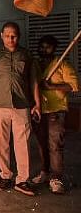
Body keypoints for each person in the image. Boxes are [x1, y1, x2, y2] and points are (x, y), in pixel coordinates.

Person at [0, 21, 41, 196]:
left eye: (13, 36)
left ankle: (23, 180)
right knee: (2, 143)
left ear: (18, 36)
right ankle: (5, 176)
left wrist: (37, 104)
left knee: (23, 145)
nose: (10, 39)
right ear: (1, 36)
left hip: (22, 105)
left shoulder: (26, 55)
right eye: (7, 36)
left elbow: (34, 81)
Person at [31, 35, 78, 194]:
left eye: (48, 47)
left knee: (55, 146)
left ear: (54, 48)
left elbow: (74, 86)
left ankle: (56, 178)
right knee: (41, 144)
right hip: (38, 111)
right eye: (42, 46)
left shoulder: (62, 64)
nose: (44, 49)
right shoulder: (36, 65)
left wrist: (51, 86)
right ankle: (45, 173)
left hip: (55, 111)